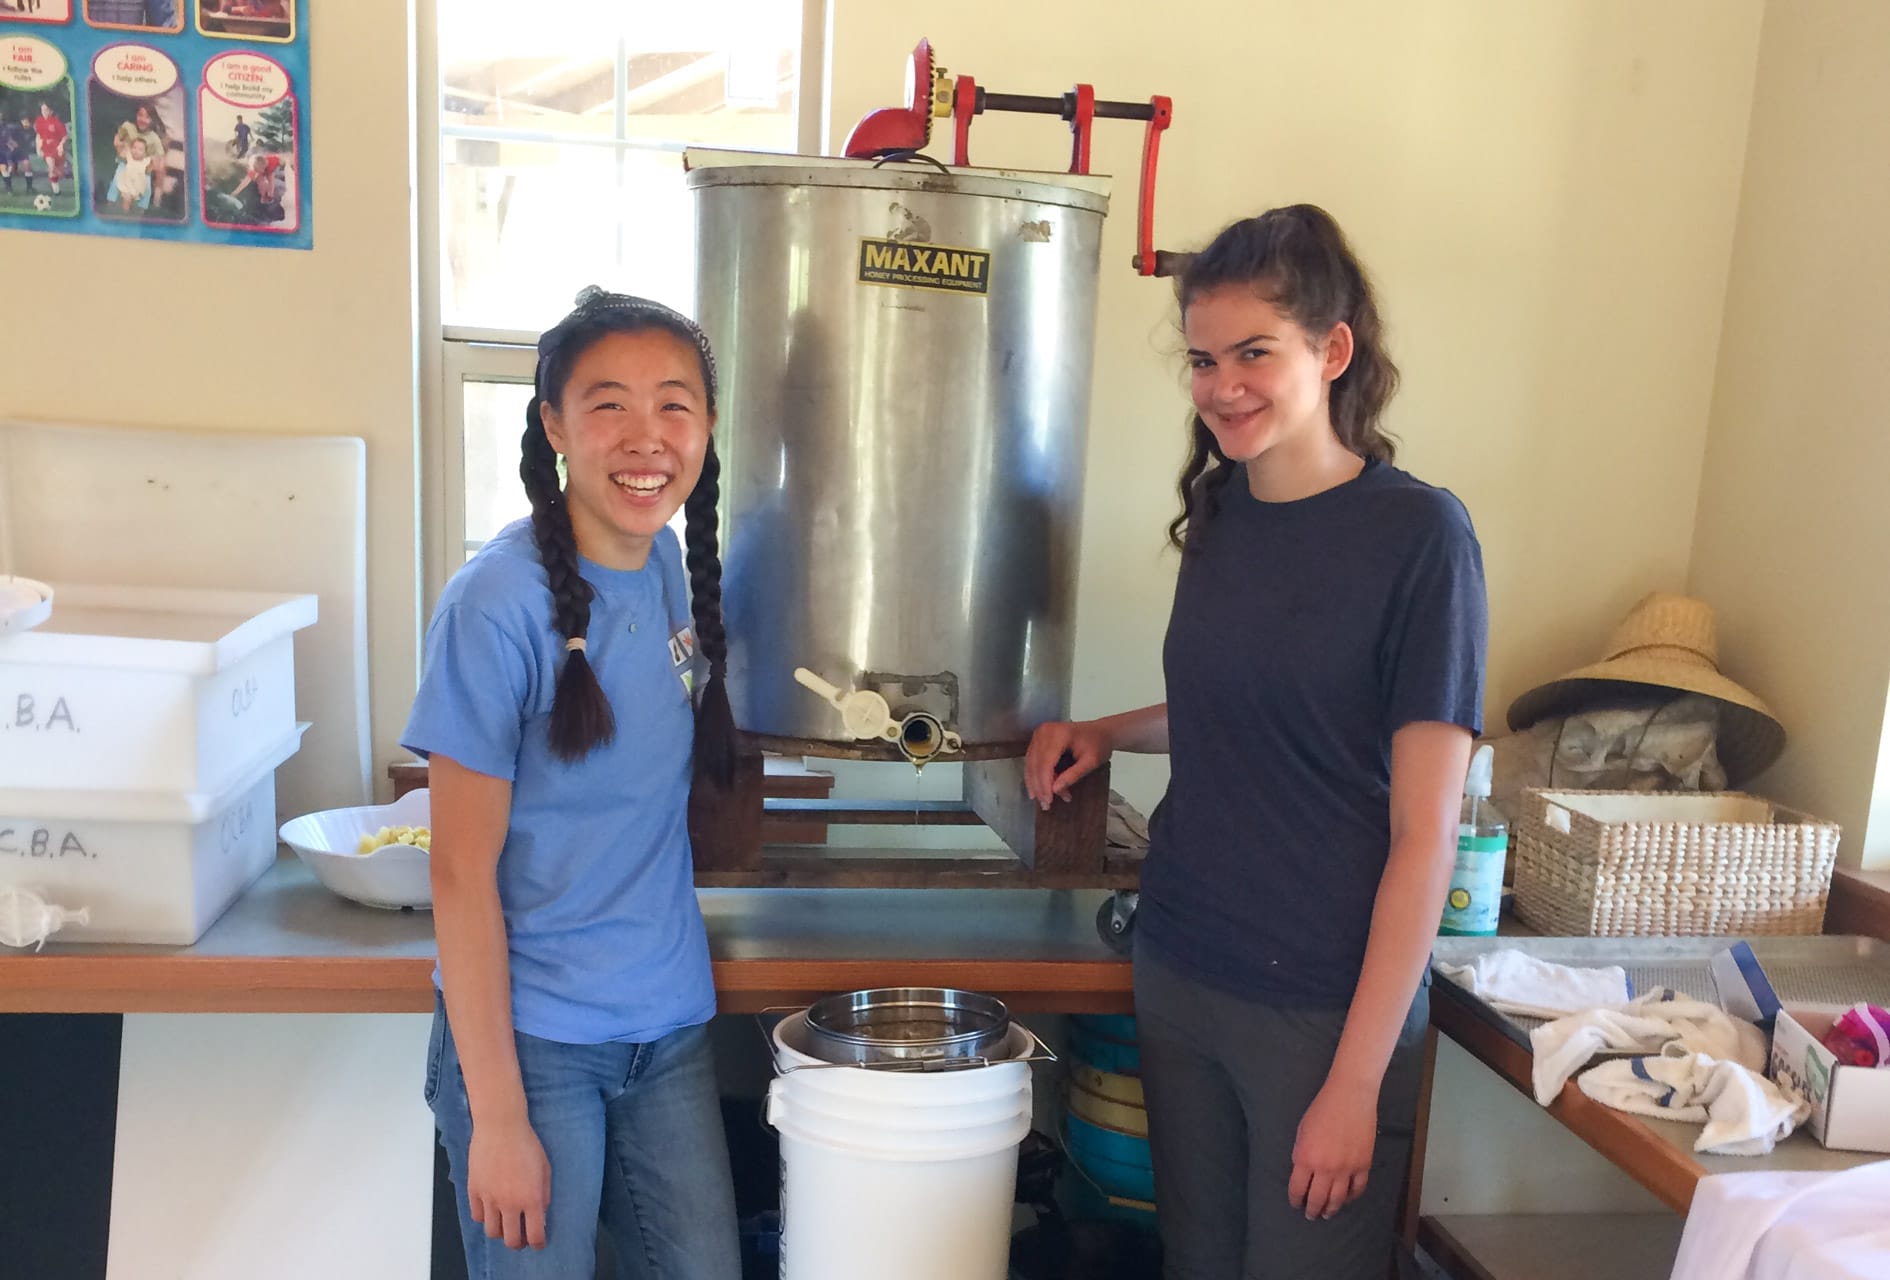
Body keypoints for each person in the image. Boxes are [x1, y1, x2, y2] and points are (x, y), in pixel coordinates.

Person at [1026, 205, 1487, 1280]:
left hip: (1322, 1005)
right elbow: (1245, 706)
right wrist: (1106, 730)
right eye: (1201, 358)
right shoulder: (1223, 511)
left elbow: (1427, 835)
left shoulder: (1421, 537)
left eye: (1252, 353)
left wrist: (1355, 1080)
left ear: (1332, 351)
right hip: (1183, 966)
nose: (1221, 384)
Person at [402, 287, 743, 1277]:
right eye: (608, 404)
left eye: (675, 404)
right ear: (553, 423)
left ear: (708, 425)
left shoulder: (672, 561)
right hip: (532, 1040)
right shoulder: (495, 604)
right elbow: (460, 874)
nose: (647, 437)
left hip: (668, 1025)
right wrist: (497, 1118)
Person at [32, 101, 66, 195]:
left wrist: (61, 145)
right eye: (42, 110)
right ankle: (56, 192)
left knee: (56, 172)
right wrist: (38, 148)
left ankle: (57, 191)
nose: (44, 112)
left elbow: (64, 136)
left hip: (56, 148)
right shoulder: (39, 121)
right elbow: (38, 135)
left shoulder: (56, 122)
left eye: (46, 109)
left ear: (51, 111)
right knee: (51, 168)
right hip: (46, 148)